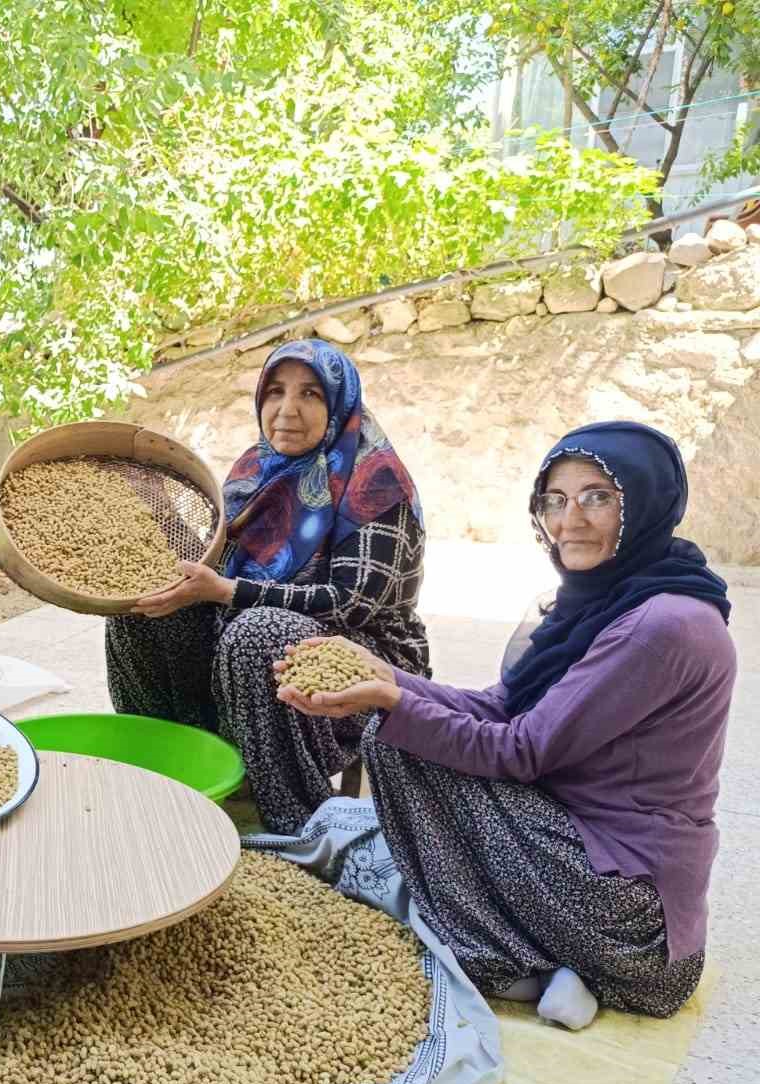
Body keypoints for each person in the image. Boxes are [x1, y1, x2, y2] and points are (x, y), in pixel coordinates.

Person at [277, 421, 734, 1027]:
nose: (570, 519)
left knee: (402, 747)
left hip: (634, 919)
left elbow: (518, 750)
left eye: (598, 496)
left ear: (646, 501)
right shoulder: (606, 601)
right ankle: (555, 966)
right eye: (555, 499)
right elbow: (499, 707)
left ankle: (513, 958)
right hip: (586, 858)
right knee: (403, 733)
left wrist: (390, 704)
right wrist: (383, 677)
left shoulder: (660, 626)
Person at [104, 339, 429, 834]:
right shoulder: (256, 468)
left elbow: (352, 603)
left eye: (311, 395)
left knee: (258, 632)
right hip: (244, 642)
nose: (287, 410)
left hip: (361, 660)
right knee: (148, 609)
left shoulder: (375, 481)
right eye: (275, 392)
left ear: (339, 402)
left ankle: (290, 821)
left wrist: (230, 593)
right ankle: (179, 768)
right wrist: (159, 511)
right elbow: (218, 562)